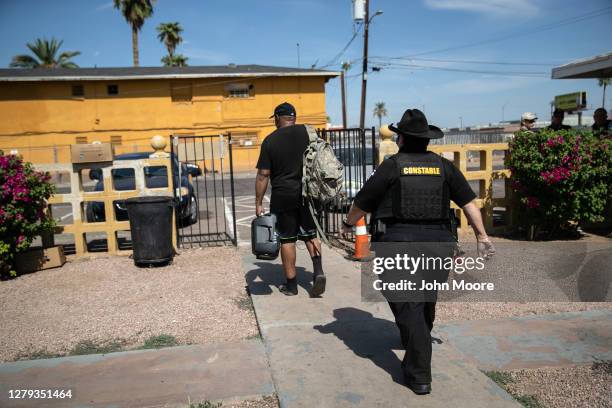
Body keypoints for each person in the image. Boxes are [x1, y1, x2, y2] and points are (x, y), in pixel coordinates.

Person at [341, 109, 495, 395]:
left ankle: (419, 373)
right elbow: (469, 203)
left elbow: (363, 202)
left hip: (398, 245)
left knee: (407, 302)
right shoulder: (443, 166)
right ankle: (416, 338)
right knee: (423, 300)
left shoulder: (392, 166)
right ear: (426, 139)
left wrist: (348, 222)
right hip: (439, 246)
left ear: (400, 138)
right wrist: (482, 236)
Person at [255, 102, 326, 297]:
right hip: (308, 194)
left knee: (287, 240)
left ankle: (292, 285)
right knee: (311, 234)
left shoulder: (270, 140)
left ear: (278, 117)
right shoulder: (308, 134)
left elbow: (263, 175)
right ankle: (318, 271)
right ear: (293, 117)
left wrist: (258, 202)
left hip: (283, 195)